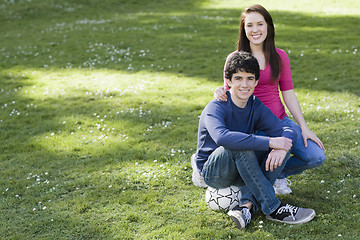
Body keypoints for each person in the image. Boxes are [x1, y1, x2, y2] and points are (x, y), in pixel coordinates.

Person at [193, 51, 315, 229]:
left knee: (283, 143)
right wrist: (269, 143)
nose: (244, 84)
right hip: (214, 172)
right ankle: (273, 208)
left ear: (256, 82)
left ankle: (245, 207)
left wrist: (281, 147)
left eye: (250, 78)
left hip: (241, 168)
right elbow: (222, 137)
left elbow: (285, 128)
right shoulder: (216, 107)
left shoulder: (255, 105)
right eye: (238, 78)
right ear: (228, 81)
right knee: (244, 145)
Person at [213, 4, 325, 195]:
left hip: (279, 122)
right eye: (249, 25)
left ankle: (276, 174)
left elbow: (288, 93)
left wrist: (304, 127)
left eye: (259, 24)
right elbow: (229, 92)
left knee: (315, 156)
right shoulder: (235, 58)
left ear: (268, 26)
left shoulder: (280, 56)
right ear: (244, 29)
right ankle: (263, 180)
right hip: (250, 126)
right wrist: (218, 91)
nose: (255, 30)